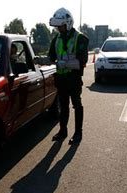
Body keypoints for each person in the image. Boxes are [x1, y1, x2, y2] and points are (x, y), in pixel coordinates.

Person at [48, 7, 89, 145]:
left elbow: (82, 61)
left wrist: (64, 64)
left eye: (61, 26)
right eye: (57, 27)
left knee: (76, 104)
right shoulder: (56, 39)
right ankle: (63, 130)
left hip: (74, 79)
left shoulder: (80, 38)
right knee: (63, 105)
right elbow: (51, 57)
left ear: (69, 23)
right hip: (61, 79)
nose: (59, 29)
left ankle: (78, 133)